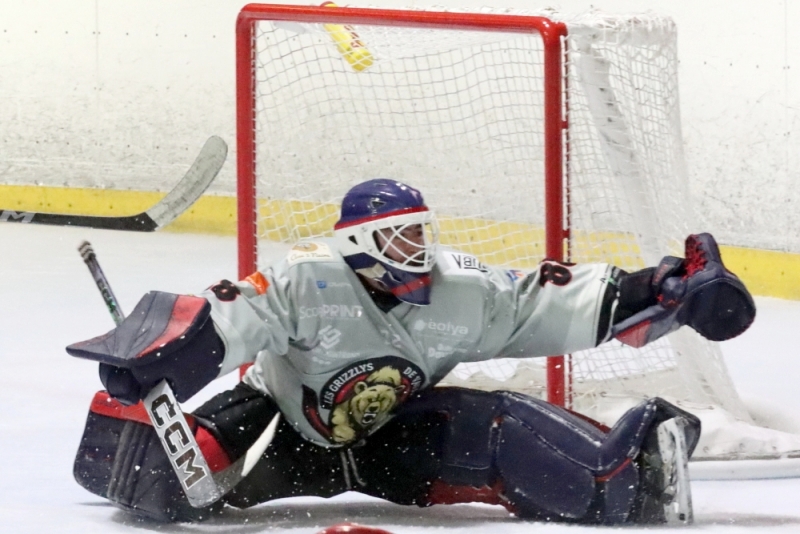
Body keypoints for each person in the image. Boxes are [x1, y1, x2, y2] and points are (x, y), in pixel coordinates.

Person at [68, 178, 755, 525]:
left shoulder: (461, 290)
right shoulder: (305, 279)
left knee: (498, 425)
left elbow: (536, 302)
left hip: (389, 435)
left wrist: (656, 292)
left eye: (420, 233)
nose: (417, 251)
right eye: (399, 238)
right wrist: (159, 354)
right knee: (173, 479)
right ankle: (132, 458)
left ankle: (624, 478)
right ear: (358, 245)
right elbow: (231, 313)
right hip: (278, 429)